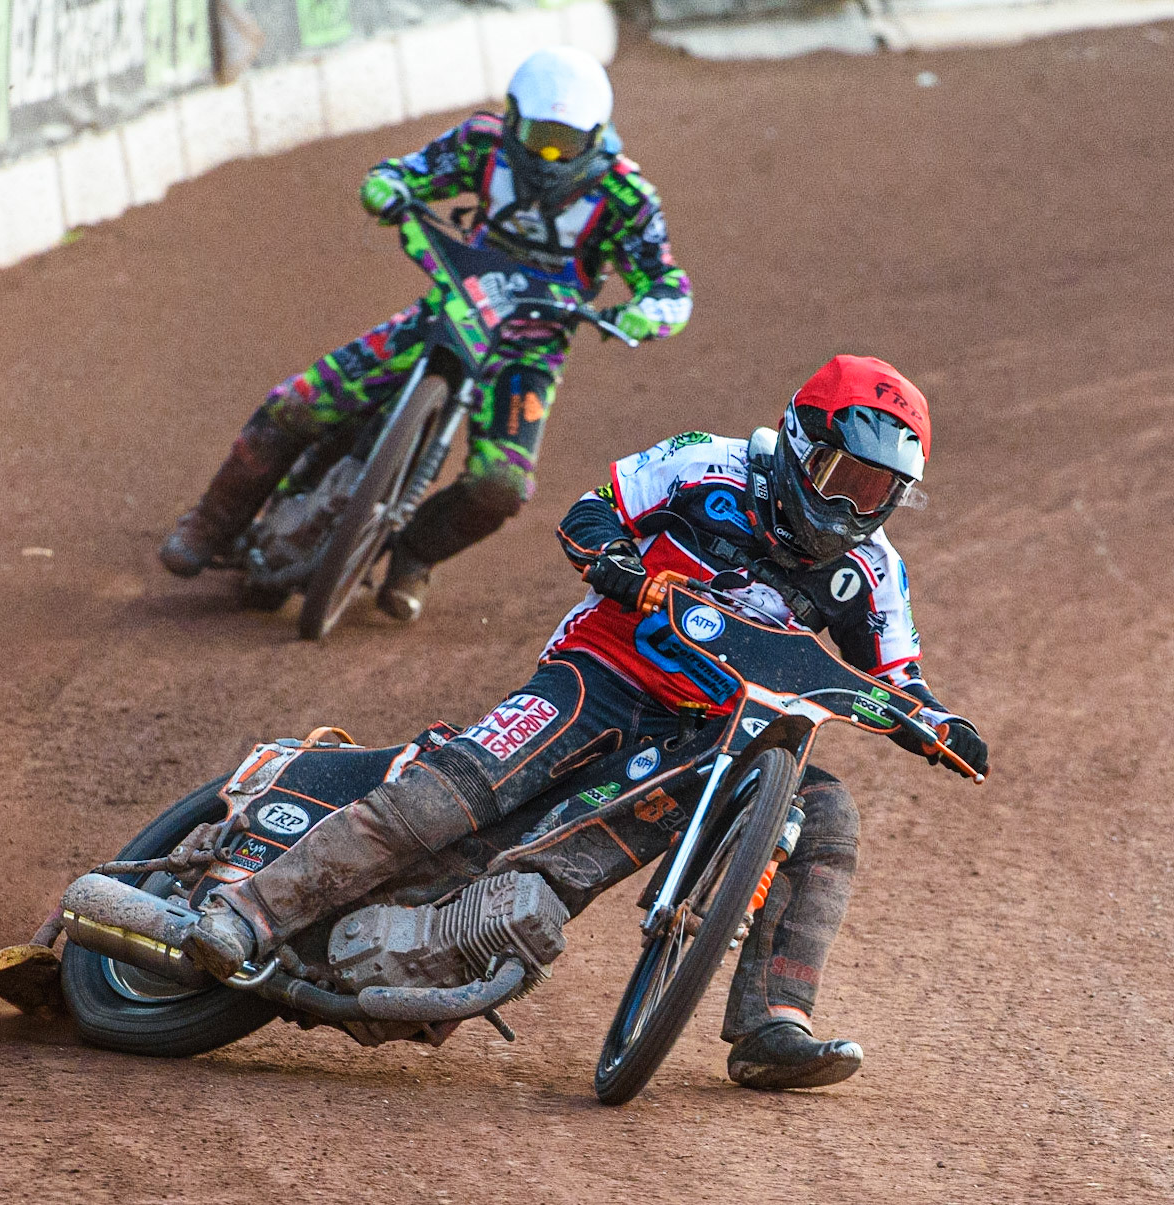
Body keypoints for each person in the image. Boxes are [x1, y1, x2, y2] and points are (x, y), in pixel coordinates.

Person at [191, 355, 989, 1090]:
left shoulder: (872, 570)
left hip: (708, 731)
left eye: (878, 491)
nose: (854, 504)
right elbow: (592, 509)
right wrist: (617, 564)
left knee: (824, 812)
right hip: (600, 671)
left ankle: (772, 1021)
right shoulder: (705, 462)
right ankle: (253, 908)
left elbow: (899, 678)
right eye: (841, 475)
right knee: (450, 798)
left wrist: (938, 722)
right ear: (795, 439)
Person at [159, 45, 693, 621]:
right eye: (538, 135)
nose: (548, 154)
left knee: (501, 484)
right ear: (512, 118)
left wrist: (646, 312)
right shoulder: (482, 144)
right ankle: (210, 523)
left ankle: (412, 556)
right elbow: (406, 171)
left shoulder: (626, 197)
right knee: (300, 402)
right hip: (452, 307)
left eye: (565, 142)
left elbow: (670, 286)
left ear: (596, 135)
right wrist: (386, 187)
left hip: (529, 350)